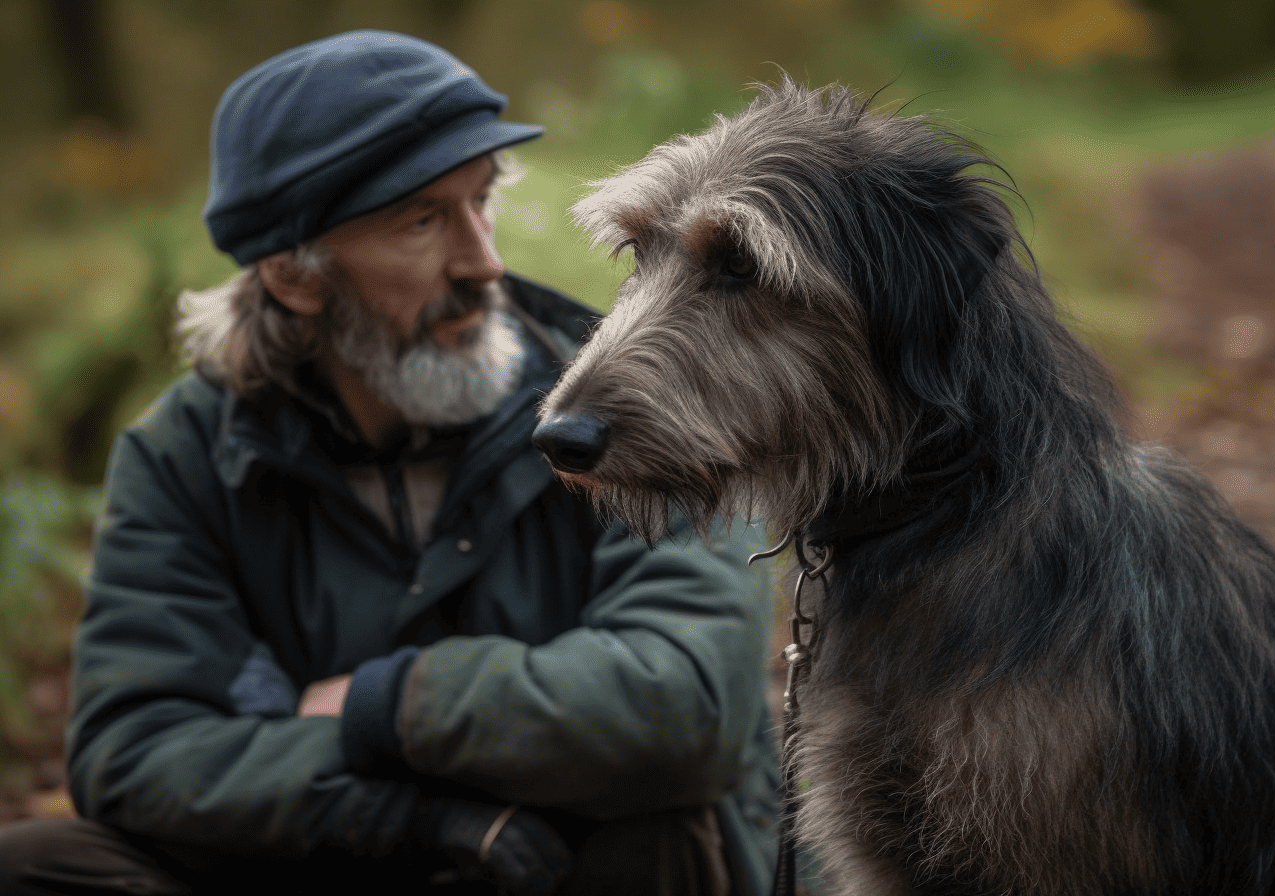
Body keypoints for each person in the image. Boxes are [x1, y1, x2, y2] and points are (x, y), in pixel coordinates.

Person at [0, 30, 779, 896]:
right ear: (298, 278)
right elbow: (135, 750)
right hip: (348, 859)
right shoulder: (183, 450)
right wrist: (410, 818)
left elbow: (685, 706)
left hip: (570, 865)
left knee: (659, 824)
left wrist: (389, 702)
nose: (483, 258)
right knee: (38, 867)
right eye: (421, 220)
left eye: (481, 202)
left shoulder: (624, 411)